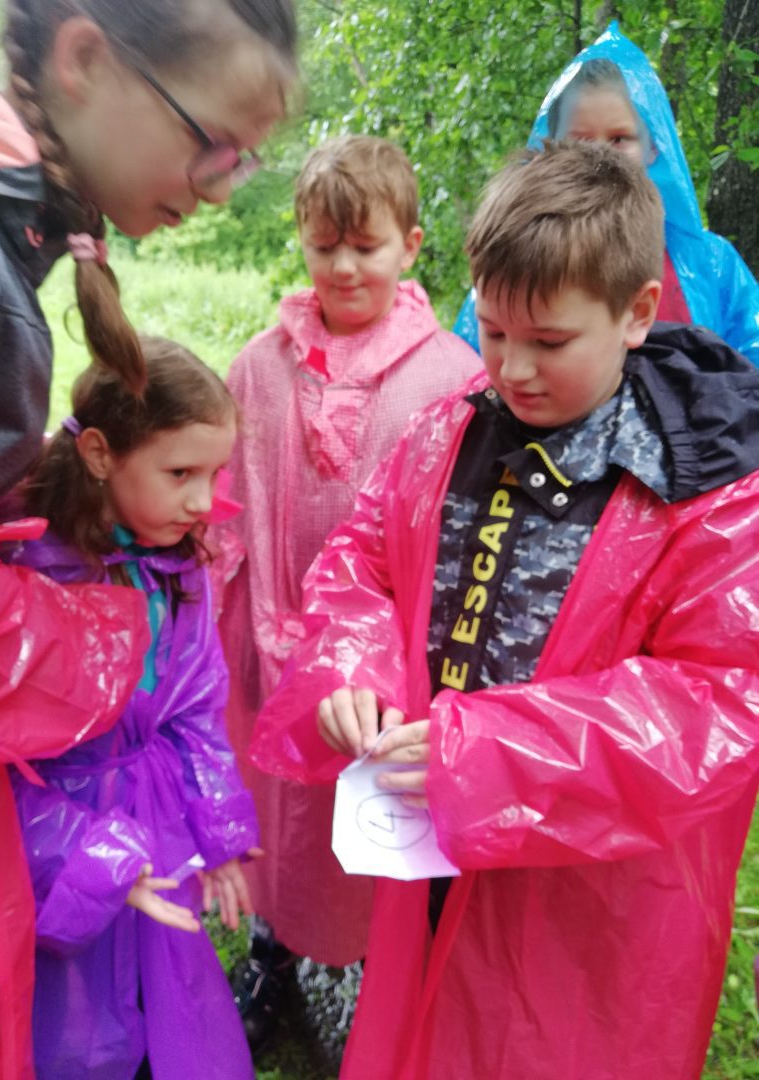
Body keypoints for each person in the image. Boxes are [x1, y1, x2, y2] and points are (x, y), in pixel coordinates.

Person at [250, 140, 759, 1079]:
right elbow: (365, 560)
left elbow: (720, 704)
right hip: (429, 854)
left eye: (549, 342)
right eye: (490, 331)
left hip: (588, 907)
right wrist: (351, 665)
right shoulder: (453, 427)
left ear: (637, 311)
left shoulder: (710, 487)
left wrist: (484, 754)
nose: (512, 369)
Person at [0, 3, 296, 1075]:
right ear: (85, 58)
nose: (223, 188)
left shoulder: (4, 243)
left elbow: (194, 712)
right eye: (212, 143)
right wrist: (95, 634)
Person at [214, 134, 481, 1045]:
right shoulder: (259, 367)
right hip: (270, 637)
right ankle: (272, 953)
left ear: (410, 245)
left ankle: (367, 971)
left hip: (389, 662)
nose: (342, 266)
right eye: (323, 245)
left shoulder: (452, 376)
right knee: (276, 802)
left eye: (365, 246)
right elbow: (225, 499)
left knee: (369, 806)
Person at [4, 336, 260, 1079]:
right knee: (65, 1025)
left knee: (164, 1002)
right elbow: (1, 761)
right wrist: (95, 860)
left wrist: (219, 829)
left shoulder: (176, 560)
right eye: (180, 473)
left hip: (155, 824)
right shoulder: (27, 574)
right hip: (50, 841)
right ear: (98, 453)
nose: (203, 502)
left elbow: (196, 704)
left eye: (213, 474)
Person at [452, 22, 759, 365]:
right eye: (581, 140)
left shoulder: (710, 263)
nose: (601, 156)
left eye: (619, 139)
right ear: (550, 147)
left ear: (654, 147)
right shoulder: (520, 257)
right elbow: (470, 367)